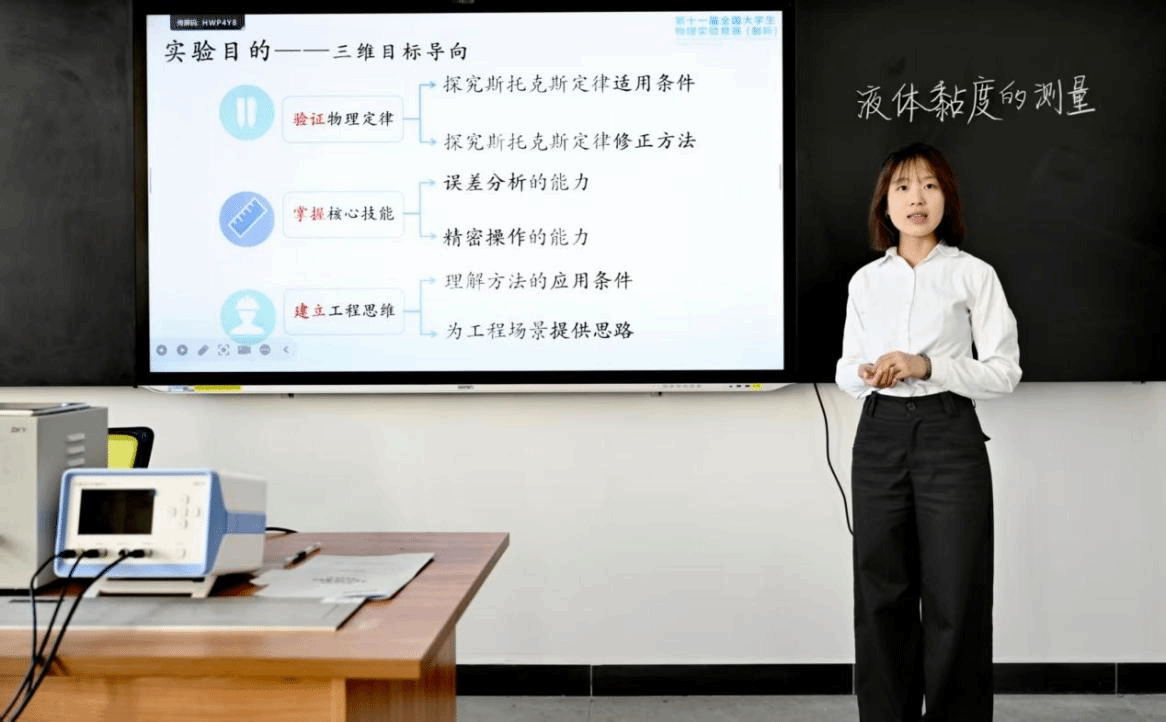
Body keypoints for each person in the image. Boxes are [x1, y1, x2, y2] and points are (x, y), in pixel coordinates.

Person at [835, 142, 1022, 722]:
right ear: (885, 203)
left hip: (949, 435)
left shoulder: (973, 275)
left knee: (956, 593)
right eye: (903, 187)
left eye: (930, 185)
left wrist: (926, 365)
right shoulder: (866, 282)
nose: (917, 198)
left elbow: (1004, 372)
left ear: (947, 198)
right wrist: (867, 373)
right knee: (881, 591)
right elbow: (844, 369)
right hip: (880, 436)